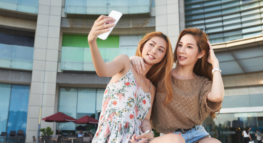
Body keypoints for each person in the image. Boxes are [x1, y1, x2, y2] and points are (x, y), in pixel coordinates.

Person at [89, 15, 183, 143]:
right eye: (151, 44)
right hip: (112, 137)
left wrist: (148, 133)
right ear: (143, 46)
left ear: (163, 58)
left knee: (176, 139)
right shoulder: (125, 62)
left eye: (160, 50)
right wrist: (92, 41)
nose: (154, 51)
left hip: (136, 139)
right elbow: (102, 71)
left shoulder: (151, 87)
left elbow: (145, 120)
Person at [130, 28, 224, 143]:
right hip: (169, 137)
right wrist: (132, 59)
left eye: (189, 47)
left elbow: (217, 96)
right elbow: (139, 75)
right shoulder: (160, 75)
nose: (181, 51)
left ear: (200, 53)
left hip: (196, 134)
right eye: (180, 45)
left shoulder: (202, 83)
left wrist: (215, 63)